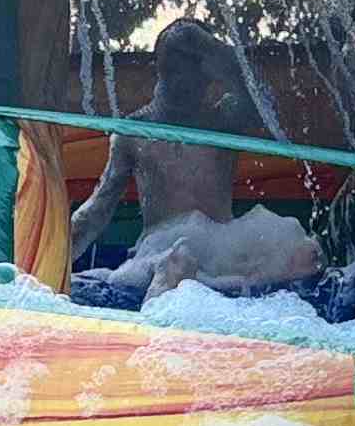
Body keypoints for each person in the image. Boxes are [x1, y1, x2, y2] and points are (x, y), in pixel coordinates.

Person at [71, 18, 324, 305]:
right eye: (176, 69)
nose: (186, 82)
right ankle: (151, 341)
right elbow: (97, 209)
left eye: (195, 68)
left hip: (226, 251)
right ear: (161, 71)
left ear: (208, 73)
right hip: (159, 254)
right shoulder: (133, 133)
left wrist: (209, 45)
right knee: (179, 263)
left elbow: (265, 101)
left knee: (308, 256)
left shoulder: (224, 119)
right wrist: (54, 256)